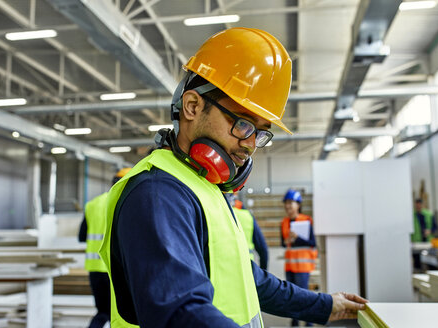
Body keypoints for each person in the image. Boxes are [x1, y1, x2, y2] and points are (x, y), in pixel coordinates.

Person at [99, 27, 367, 327]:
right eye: (242, 123)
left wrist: (324, 305)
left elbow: (246, 277)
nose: (251, 143)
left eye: (261, 131)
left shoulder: (206, 188)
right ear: (192, 106)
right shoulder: (158, 195)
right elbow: (181, 313)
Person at [78, 168, 131, 328]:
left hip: (95, 269)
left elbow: (81, 237)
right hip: (116, 269)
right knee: (125, 316)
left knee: (102, 312)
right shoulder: (125, 201)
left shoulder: (92, 204)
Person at [280, 189, 318, 327]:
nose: (288, 206)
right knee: (291, 296)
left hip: (302, 267)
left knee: (303, 296)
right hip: (289, 266)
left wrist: (298, 237)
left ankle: (309, 323)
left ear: (298, 205)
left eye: (291, 203)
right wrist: (287, 240)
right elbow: (283, 244)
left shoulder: (306, 221)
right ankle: (294, 322)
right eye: (286, 203)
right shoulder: (284, 222)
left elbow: (313, 243)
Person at [225, 193, 269, 270]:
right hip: (248, 268)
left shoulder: (212, 215)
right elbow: (263, 250)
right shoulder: (247, 216)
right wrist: (263, 273)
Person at [411, 198, 438, 270]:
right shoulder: (411, 215)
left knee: (431, 262)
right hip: (416, 243)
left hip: (428, 242)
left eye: (419, 206)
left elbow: (435, 227)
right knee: (417, 263)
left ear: (422, 205)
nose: (418, 207)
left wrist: (430, 231)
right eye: (417, 206)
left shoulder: (429, 214)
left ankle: (433, 275)